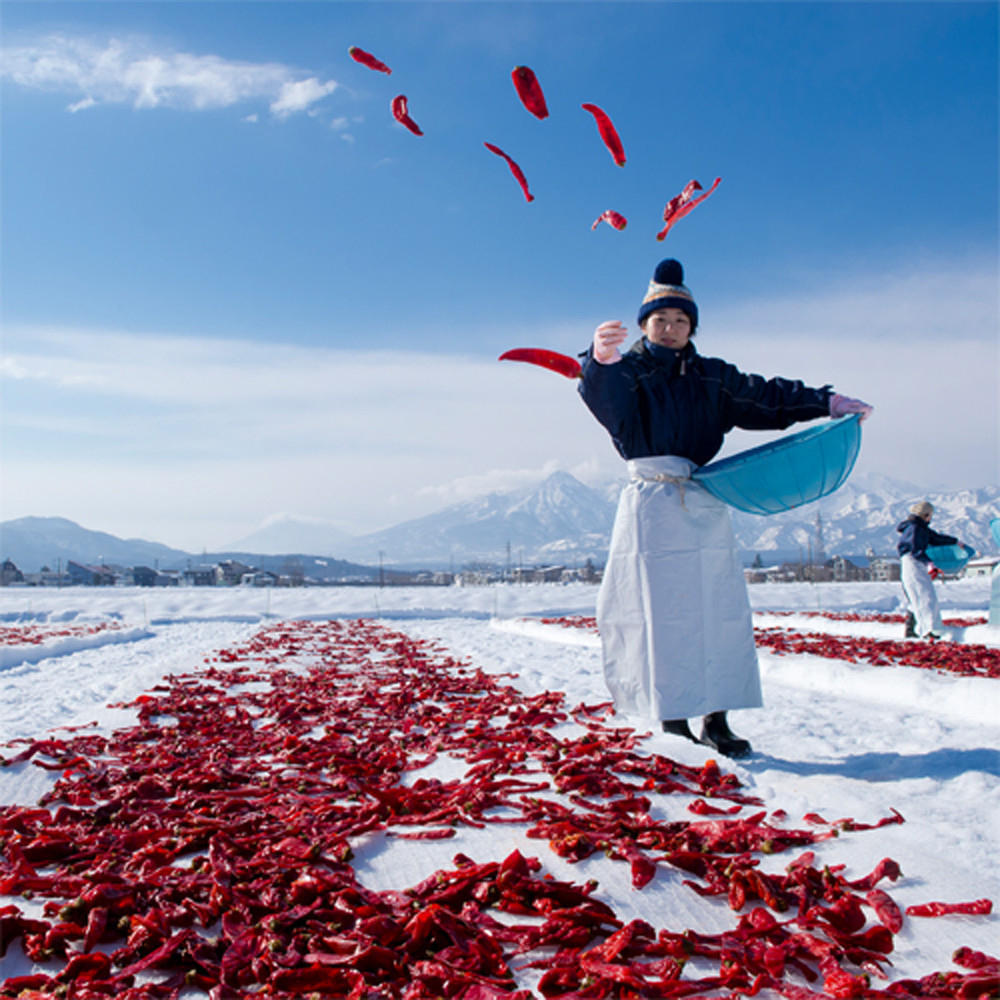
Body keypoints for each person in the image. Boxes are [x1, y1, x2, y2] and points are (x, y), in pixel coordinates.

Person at [578, 258, 872, 758]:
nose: (670, 329)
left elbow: (768, 398)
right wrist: (598, 364)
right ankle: (673, 718)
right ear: (645, 325)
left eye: (680, 321)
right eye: (660, 320)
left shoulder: (713, 377)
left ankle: (717, 719)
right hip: (651, 505)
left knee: (717, 611)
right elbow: (608, 405)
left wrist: (825, 403)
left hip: (703, 498)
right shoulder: (629, 372)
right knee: (661, 614)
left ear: (691, 327)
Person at [896, 501, 958, 639]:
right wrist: (928, 562)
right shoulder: (914, 528)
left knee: (921, 595)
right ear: (926, 515)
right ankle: (929, 630)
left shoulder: (920, 527)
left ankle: (915, 629)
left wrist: (955, 541)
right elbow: (915, 549)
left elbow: (934, 538)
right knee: (923, 595)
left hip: (917, 562)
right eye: (930, 515)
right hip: (913, 562)